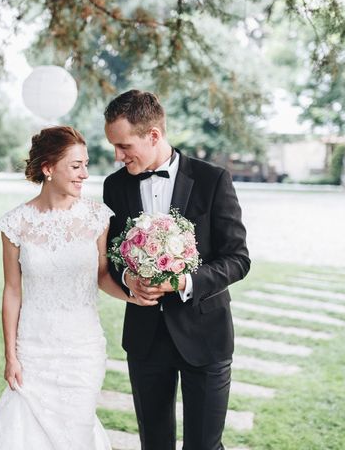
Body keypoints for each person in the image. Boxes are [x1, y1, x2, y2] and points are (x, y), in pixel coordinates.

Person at [0, 125, 156, 450]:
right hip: (33, 348)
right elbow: (12, 291)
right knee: (23, 434)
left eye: (85, 164)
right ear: (48, 169)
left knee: (75, 433)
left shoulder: (98, 217)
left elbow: (101, 275)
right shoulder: (15, 224)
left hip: (82, 349)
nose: (85, 174)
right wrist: (11, 355)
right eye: (75, 166)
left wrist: (132, 295)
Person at [102, 90, 251, 450]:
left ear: (153, 136)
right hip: (145, 338)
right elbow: (112, 255)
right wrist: (128, 279)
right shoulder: (115, 186)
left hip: (206, 336)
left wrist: (185, 280)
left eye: (124, 146)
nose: (118, 156)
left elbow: (238, 258)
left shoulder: (213, 179)